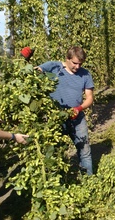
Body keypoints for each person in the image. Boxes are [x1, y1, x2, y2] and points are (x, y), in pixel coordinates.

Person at [36, 46, 94, 175]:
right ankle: (57, 182)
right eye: (75, 63)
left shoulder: (85, 74)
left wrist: (78, 109)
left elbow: (89, 98)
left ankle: (89, 181)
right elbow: (34, 72)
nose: (78, 66)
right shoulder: (54, 67)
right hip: (55, 119)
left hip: (77, 118)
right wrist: (27, 62)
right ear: (67, 59)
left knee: (84, 151)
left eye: (80, 63)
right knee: (54, 152)